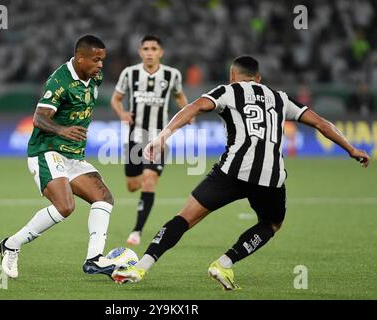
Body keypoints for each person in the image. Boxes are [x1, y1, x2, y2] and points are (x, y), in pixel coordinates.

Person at [112, 56, 371, 289]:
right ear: (258, 78)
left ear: (233, 75)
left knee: (185, 218)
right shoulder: (279, 97)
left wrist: (162, 137)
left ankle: (140, 267)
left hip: (232, 171)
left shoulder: (228, 90)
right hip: (271, 176)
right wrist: (351, 148)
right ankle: (224, 262)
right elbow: (321, 123)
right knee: (271, 224)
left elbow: (194, 107)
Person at [0, 35, 117, 279]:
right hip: (47, 151)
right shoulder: (59, 81)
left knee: (103, 197)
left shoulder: (94, 76)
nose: (100, 65)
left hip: (73, 155)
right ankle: (11, 244)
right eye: (96, 60)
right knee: (65, 206)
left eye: (103, 60)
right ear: (80, 58)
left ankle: (94, 259)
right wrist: (63, 130)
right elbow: (39, 118)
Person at [110, 35, 190, 246]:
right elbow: (115, 99)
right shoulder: (130, 73)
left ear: (160, 52)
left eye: (154, 48)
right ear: (140, 52)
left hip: (159, 138)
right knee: (132, 185)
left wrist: (187, 112)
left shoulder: (172, 75)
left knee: (148, 180)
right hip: (135, 138)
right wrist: (122, 114)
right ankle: (145, 179)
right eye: (145, 48)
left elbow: (179, 96)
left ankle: (136, 230)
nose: (149, 52)